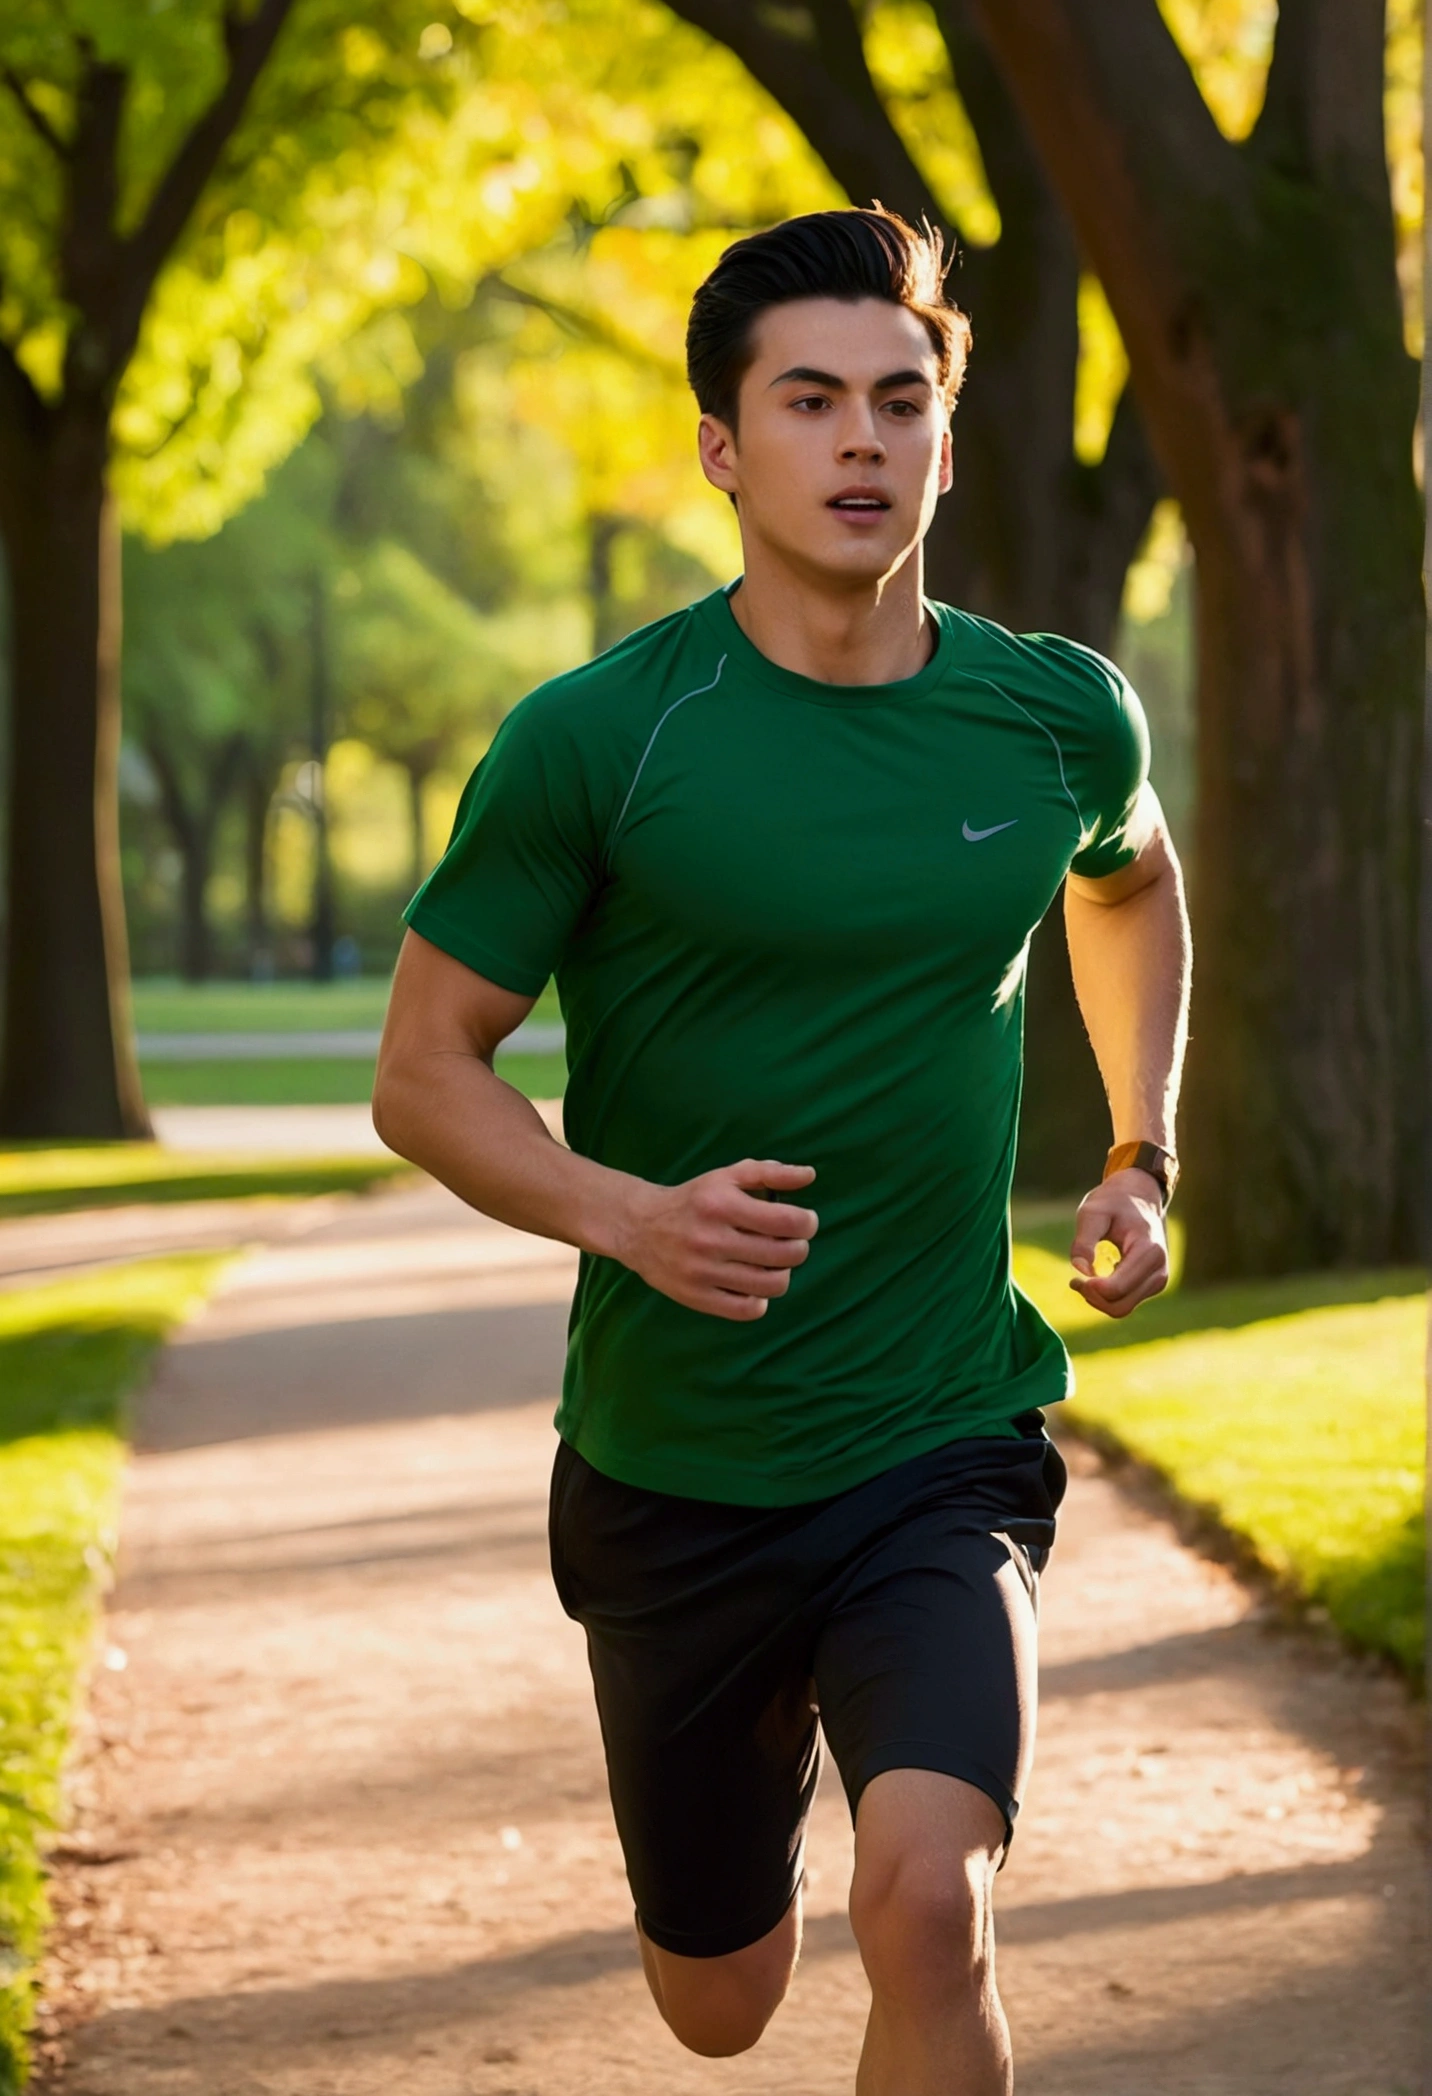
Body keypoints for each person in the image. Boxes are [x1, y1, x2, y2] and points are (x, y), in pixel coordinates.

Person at [373, 206, 1191, 2095]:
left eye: (901, 402)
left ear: (947, 437)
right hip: (676, 1469)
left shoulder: (1055, 713)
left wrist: (1145, 1148)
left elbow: (1134, 886)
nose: (862, 443)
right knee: (720, 2002)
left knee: (927, 1904)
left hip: (938, 1436)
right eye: (810, 402)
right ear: (725, 449)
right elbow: (427, 1069)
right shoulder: (603, 741)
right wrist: (627, 1218)